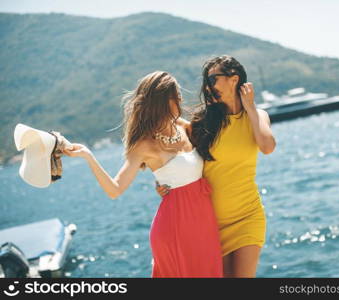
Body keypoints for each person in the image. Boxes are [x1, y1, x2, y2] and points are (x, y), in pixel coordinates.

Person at [62, 71, 223, 278]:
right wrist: (88, 156)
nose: (182, 99)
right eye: (177, 95)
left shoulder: (183, 127)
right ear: (163, 100)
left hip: (203, 218)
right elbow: (115, 189)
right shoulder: (144, 145)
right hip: (175, 226)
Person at [157, 55, 276, 278]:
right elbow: (179, 160)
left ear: (234, 79)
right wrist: (163, 183)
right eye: (206, 81)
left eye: (213, 79)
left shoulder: (258, 116)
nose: (208, 86)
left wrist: (250, 108)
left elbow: (267, 147)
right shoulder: (201, 124)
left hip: (248, 217)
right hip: (208, 223)